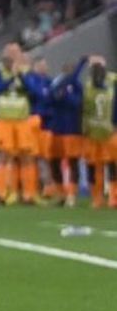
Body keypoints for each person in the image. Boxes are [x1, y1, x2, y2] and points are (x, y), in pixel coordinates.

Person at [0, 43, 42, 205]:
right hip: (4, 119)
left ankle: (28, 194)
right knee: (3, 156)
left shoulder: (26, 71)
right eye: (9, 52)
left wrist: (21, 76)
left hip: (22, 119)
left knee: (27, 156)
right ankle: (1, 193)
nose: (12, 56)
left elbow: (35, 92)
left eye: (15, 52)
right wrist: (12, 77)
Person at [45, 58, 86, 206]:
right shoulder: (56, 84)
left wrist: (65, 97)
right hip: (57, 128)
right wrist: (57, 97)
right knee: (54, 161)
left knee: (72, 161)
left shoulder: (77, 86)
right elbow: (49, 100)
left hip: (72, 129)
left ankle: (72, 194)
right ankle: (60, 192)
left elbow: (77, 103)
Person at [81, 56, 115, 208]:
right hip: (96, 132)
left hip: (104, 131)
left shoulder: (110, 82)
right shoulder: (89, 86)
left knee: (108, 164)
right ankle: (98, 197)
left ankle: (108, 197)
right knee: (96, 166)